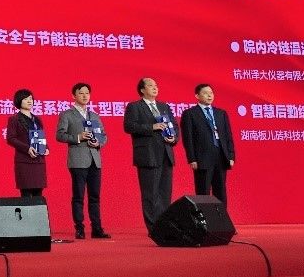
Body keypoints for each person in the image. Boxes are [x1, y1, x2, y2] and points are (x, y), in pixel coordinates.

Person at [123, 77, 179, 233]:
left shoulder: (164, 106)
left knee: (165, 193)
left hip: (166, 153)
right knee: (151, 194)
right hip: (148, 155)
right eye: (150, 85)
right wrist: (152, 127)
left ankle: (165, 225)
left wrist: (173, 138)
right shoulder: (134, 106)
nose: (155, 88)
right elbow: (129, 126)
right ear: (142, 89)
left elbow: (174, 126)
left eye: (156, 85)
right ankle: (154, 228)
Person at [55, 82, 110, 239]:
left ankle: (97, 228)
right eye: (81, 93)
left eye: (87, 93)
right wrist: (78, 137)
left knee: (95, 196)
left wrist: (98, 142)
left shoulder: (94, 116)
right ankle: (79, 228)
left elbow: (103, 135)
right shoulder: (67, 114)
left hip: (95, 160)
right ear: (74, 96)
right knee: (78, 196)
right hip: (78, 159)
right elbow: (60, 135)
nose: (85, 96)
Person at [180, 83, 236, 206]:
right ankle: (204, 218)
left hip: (221, 156)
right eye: (205, 93)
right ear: (197, 96)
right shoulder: (190, 114)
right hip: (202, 158)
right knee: (203, 192)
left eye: (211, 93)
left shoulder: (221, 113)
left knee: (220, 191)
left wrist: (231, 156)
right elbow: (188, 138)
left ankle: (221, 217)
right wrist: (192, 158)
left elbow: (228, 136)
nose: (209, 96)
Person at [6, 89, 48, 197]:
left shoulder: (37, 119)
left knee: (38, 195)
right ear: (19, 101)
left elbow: (41, 136)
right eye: (25, 99)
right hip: (24, 161)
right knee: (26, 196)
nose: (29, 101)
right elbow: (10, 138)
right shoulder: (14, 119)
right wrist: (27, 148)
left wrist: (46, 147)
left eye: (31, 98)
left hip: (39, 161)